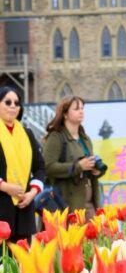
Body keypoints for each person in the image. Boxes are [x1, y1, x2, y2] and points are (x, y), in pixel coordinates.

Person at [42, 96, 106, 220]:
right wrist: (78, 166)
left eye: (82, 108)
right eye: (76, 109)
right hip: (66, 204)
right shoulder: (56, 137)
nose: (81, 111)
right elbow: (48, 167)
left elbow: (88, 166)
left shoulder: (85, 138)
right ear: (65, 113)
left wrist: (96, 171)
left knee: (93, 238)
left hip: (89, 204)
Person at [0, 86, 45, 242]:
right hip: (2, 205)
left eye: (17, 103)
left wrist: (32, 193)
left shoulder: (27, 133)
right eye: (8, 102)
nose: (13, 106)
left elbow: (40, 167)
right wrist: (5, 186)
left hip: (24, 207)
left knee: (22, 262)